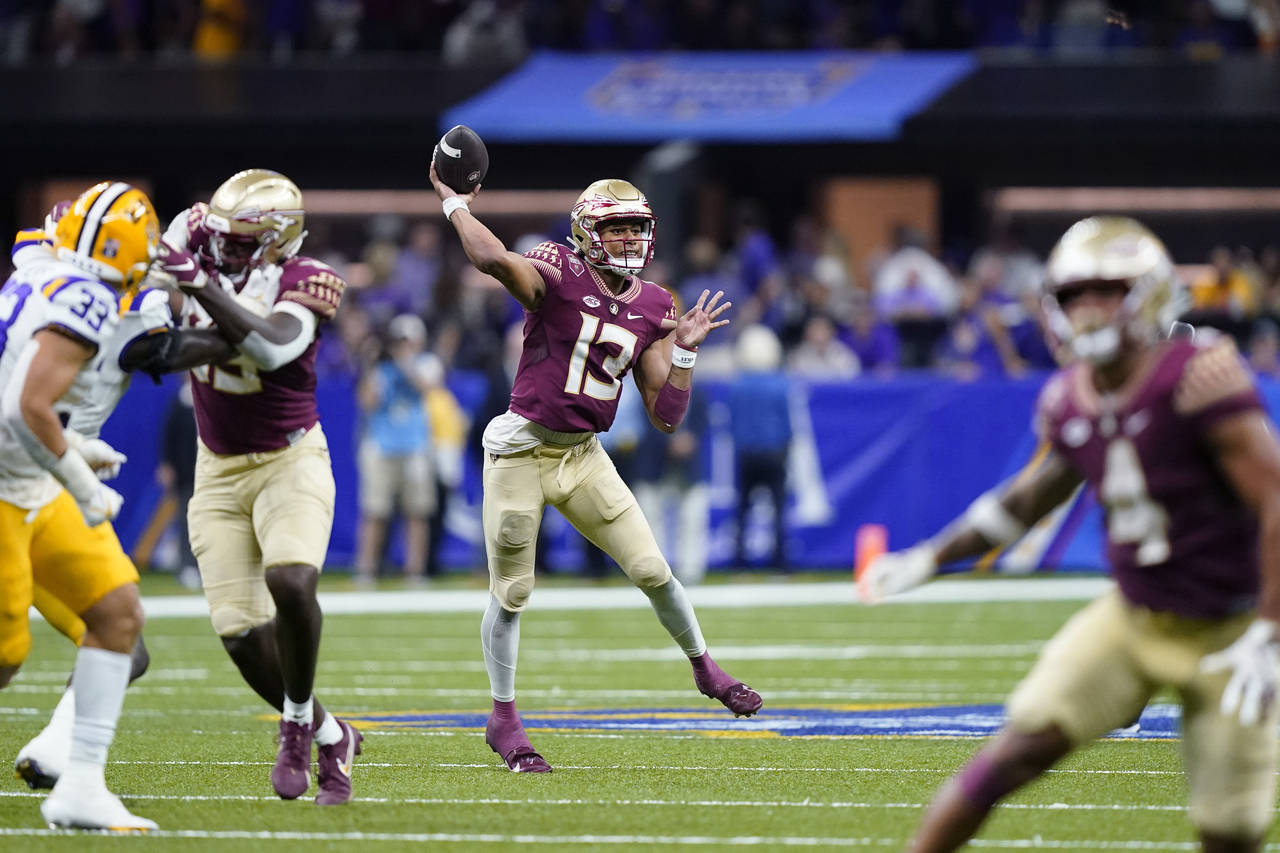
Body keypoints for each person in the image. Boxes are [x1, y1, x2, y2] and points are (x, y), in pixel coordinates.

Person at [859, 216, 1280, 853]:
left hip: (1231, 630)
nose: (1086, 309)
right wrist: (928, 559)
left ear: (1150, 293)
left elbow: (1275, 500)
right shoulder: (1070, 396)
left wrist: (1271, 629)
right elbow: (1029, 498)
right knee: (1014, 748)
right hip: (1136, 617)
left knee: (1231, 833)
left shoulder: (1198, 376)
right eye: (1073, 295)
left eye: (1104, 291)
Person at [429, 166, 763, 773]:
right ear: (587, 234)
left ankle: (705, 668)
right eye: (618, 230)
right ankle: (503, 719)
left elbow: (666, 415)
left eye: (638, 229)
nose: (631, 241)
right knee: (513, 591)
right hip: (522, 449)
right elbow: (493, 260)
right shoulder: (557, 270)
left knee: (653, 568)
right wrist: (455, 204)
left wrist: (684, 352)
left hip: (584, 455)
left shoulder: (656, 303)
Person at [0, 182, 231, 830]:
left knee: (118, 615)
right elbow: (24, 405)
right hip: (13, 484)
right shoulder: (86, 297)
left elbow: (13, 395)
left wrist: (68, 446)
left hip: (30, 474)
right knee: (5, 655)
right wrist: (81, 477)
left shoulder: (43, 264)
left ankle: (79, 785)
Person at [153, 168, 362, 805]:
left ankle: (296, 726)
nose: (221, 251)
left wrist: (193, 286)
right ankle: (332, 732)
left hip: (288, 459)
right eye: (219, 238)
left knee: (292, 580)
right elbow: (155, 341)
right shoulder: (198, 242)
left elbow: (272, 348)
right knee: (240, 635)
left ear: (280, 242)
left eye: (241, 242)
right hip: (216, 468)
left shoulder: (309, 280)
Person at [354, 313, 440, 586]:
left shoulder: (427, 363)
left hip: (415, 446)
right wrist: (369, 364)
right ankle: (366, 571)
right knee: (375, 511)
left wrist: (405, 362)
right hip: (381, 445)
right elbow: (367, 402)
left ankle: (414, 572)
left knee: (417, 513)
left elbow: (425, 387)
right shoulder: (381, 369)